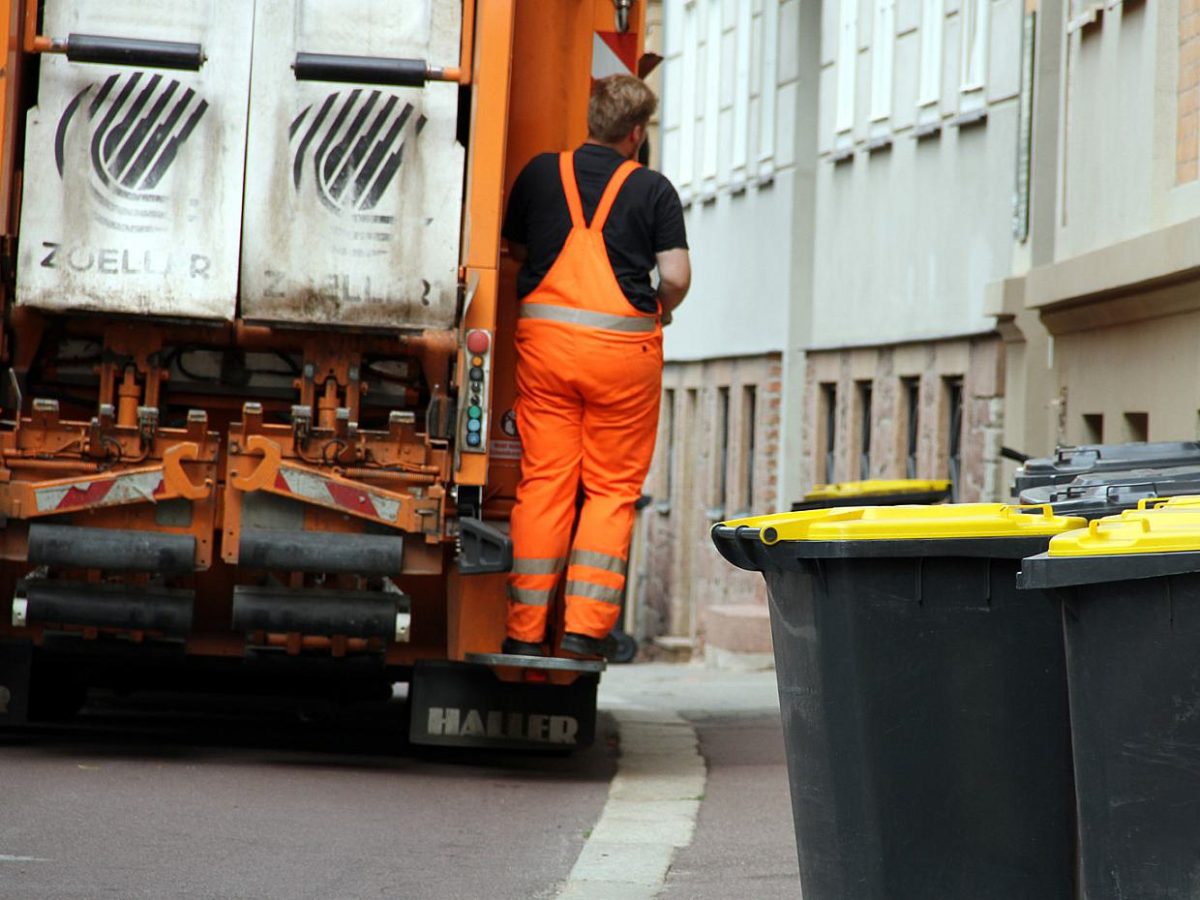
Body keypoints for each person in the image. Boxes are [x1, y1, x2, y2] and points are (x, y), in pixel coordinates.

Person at [499, 74, 691, 659]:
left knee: (545, 484)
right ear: (636, 133)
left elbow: (515, 251)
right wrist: (660, 306)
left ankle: (524, 631)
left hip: (547, 356)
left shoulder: (538, 173)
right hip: (622, 361)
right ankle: (584, 629)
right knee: (609, 490)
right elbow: (677, 276)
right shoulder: (653, 190)